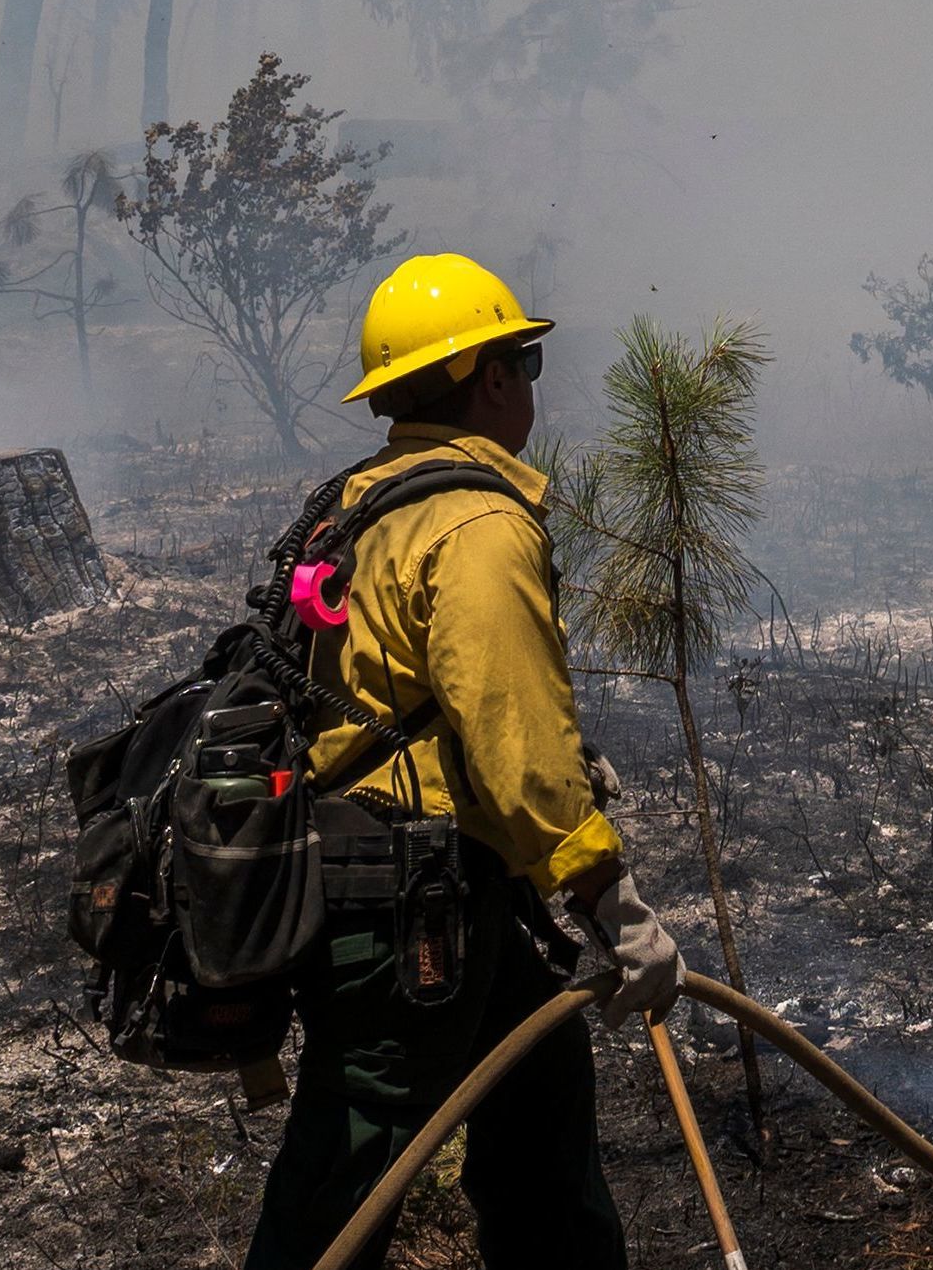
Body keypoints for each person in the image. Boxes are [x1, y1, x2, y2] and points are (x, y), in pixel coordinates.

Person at [245, 253, 685, 1270]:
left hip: (432, 887)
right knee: (348, 1174)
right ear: (488, 378)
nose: (529, 383)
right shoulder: (477, 522)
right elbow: (513, 738)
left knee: (541, 1113)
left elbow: (406, 695)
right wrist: (614, 907)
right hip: (409, 914)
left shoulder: (358, 503)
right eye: (521, 361)